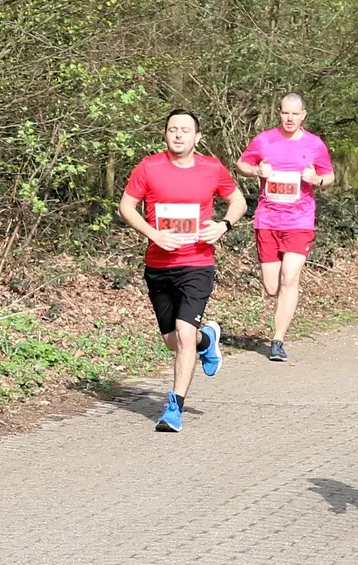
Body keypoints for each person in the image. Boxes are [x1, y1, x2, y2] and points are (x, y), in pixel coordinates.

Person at [119, 109, 247, 431]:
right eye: (172, 129)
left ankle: (174, 408)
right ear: (165, 134)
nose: (178, 135)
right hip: (159, 266)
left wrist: (223, 225)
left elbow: (239, 202)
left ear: (197, 137)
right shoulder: (149, 167)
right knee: (173, 341)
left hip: (197, 263)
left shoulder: (211, 168)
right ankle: (208, 341)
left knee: (184, 333)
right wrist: (154, 234)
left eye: (185, 130)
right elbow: (126, 207)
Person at [235, 93, 335, 362]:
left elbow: (329, 176)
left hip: (300, 220)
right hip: (267, 220)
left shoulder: (315, 144)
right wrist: (257, 172)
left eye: (295, 113)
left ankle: (278, 339)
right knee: (271, 286)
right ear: (278, 113)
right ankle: (284, 304)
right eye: (285, 113)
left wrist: (316, 179)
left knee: (289, 278)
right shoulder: (264, 140)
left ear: (304, 115)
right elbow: (242, 164)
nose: (290, 118)